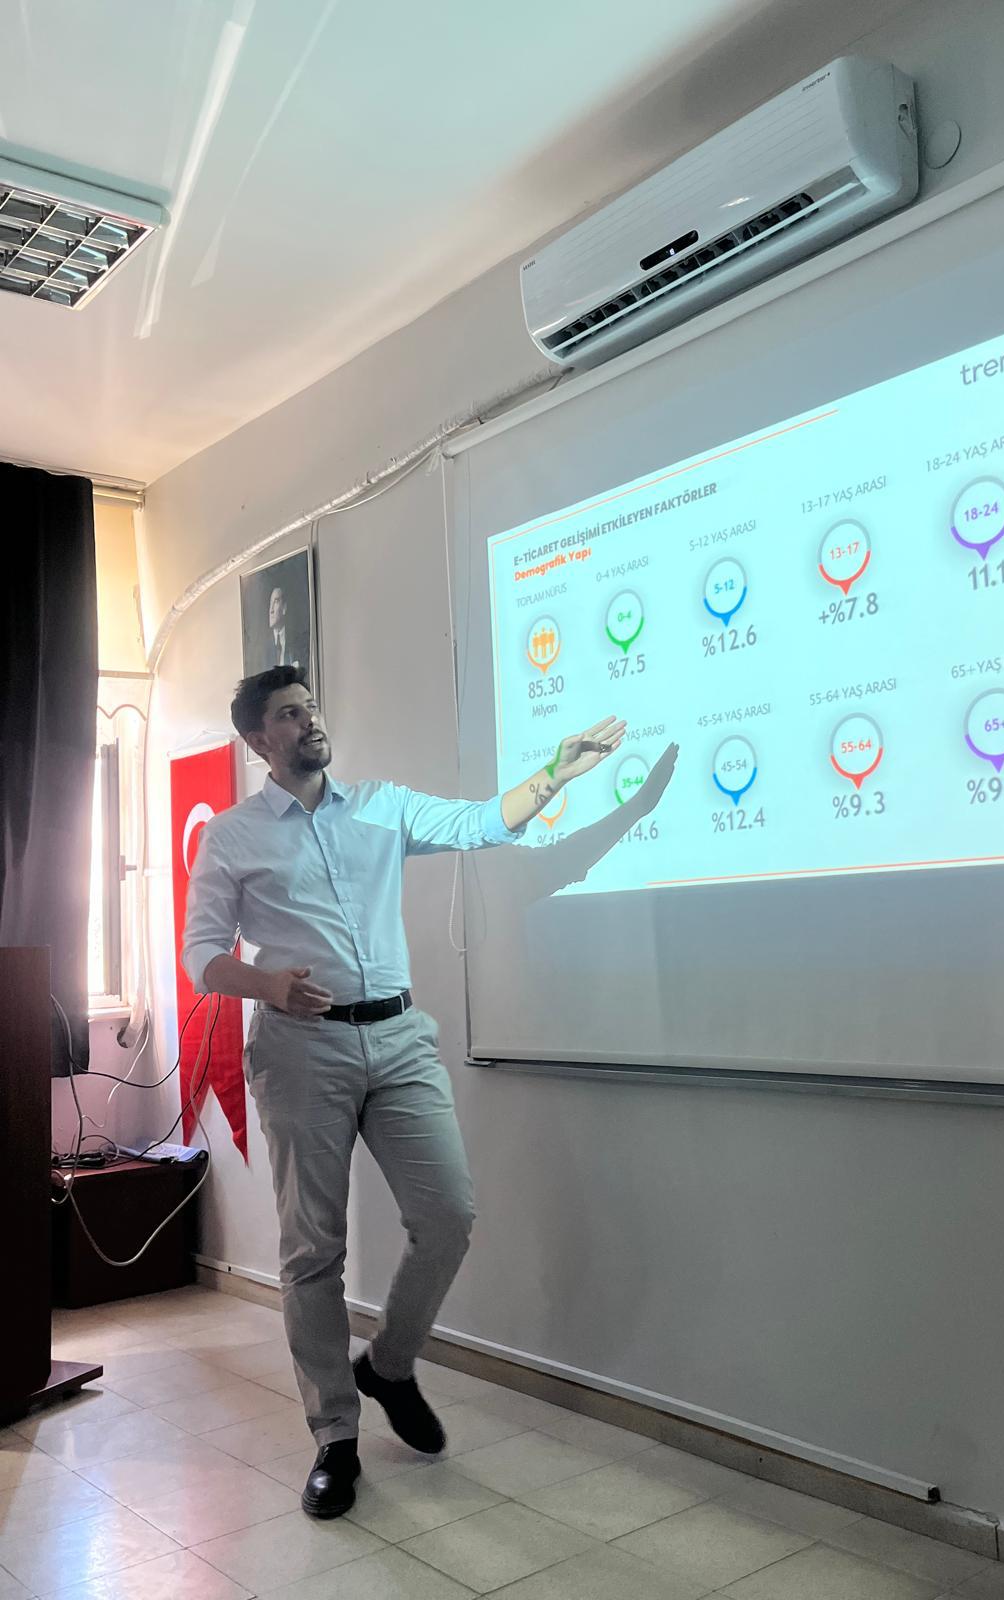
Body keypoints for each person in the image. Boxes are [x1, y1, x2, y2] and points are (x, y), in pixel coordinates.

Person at [181, 666, 629, 1518]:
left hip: (397, 1039)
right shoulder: (234, 837)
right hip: (300, 1052)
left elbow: (480, 822)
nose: (310, 720)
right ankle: (335, 1435)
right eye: (289, 714)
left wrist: (554, 774)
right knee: (313, 1250)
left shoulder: (380, 806)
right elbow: (201, 953)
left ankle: (387, 1366)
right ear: (259, 740)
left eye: (312, 706)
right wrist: (267, 985)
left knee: (449, 1216)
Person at [260, 583, 309, 673]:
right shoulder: (263, 649)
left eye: (275, 602)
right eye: (270, 603)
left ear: (284, 608)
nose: (271, 610)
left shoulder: (299, 641)